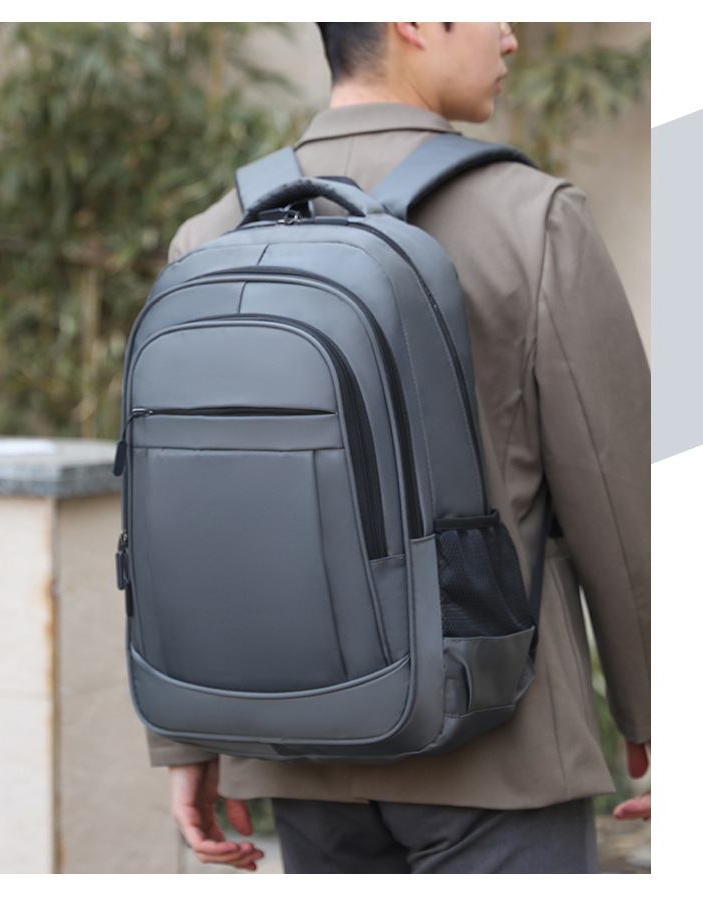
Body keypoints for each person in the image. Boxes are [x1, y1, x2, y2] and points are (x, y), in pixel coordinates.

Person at [147, 22, 651, 874]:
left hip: (298, 747)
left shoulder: (214, 233)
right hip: (498, 741)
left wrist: (185, 736)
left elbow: (178, 513)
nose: (511, 36)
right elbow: (619, 491)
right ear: (413, 21)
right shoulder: (531, 217)